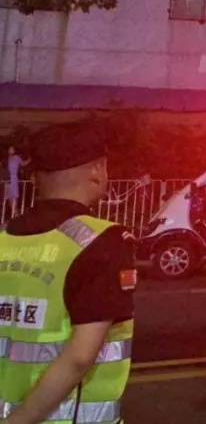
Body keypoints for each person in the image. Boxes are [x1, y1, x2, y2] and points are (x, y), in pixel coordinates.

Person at [0, 121, 135, 424]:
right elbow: (79, 357)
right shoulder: (102, 241)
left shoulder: (5, 237)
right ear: (96, 170)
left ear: (35, 178)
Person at [4, 146, 29, 215]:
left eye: (12, 149)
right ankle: (14, 213)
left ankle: (16, 213)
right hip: (7, 180)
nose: (11, 150)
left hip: (13, 179)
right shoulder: (6, 159)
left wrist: (29, 160)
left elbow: (23, 164)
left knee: (14, 197)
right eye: (10, 149)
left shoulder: (16, 158)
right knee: (9, 199)